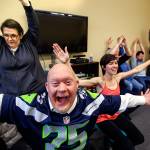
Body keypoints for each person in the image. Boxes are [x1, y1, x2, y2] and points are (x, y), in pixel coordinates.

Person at [0, 63, 150, 150]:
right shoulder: (28, 105)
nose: (62, 89)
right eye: (55, 83)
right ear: (46, 87)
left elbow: (121, 100)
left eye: (68, 82)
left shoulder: (91, 101)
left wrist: (143, 99)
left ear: (77, 85)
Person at [52, 43, 150, 150]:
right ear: (104, 67)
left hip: (115, 114)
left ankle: (113, 144)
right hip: (102, 118)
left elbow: (136, 70)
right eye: (111, 63)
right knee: (128, 146)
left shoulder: (118, 77)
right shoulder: (100, 81)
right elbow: (77, 81)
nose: (115, 65)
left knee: (139, 139)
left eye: (116, 63)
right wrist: (67, 62)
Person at [0, 0, 46, 149]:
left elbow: (34, 25)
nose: (9, 39)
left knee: (37, 135)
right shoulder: (1, 47)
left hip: (33, 97)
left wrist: (26, 4)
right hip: (11, 101)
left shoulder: (29, 42)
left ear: (20, 34)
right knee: (15, 141)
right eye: (6, 35)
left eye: (13, 35)